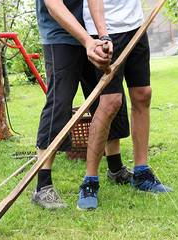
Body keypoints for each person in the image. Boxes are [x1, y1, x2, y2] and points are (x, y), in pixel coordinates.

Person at [77, 0, 173, 210]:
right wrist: (103, 35)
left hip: (136, 25)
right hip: (105, 31)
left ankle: (141, 173)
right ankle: (89, 182)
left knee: (142, 94)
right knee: (110, 102)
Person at [32, 0, 113, 209]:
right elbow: (53, 5)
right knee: (59, 102)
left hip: (91, 36)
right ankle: (43, 186)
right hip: (59, 37)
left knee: (106, 101)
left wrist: (102, 36)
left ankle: (115, 166)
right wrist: (88, 41)